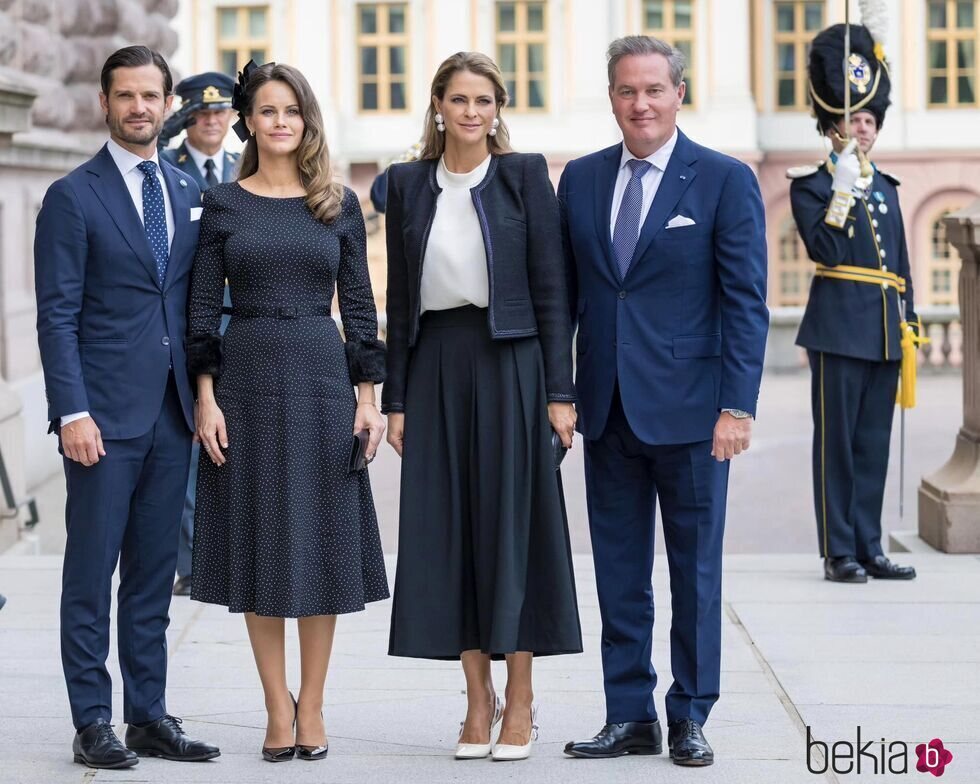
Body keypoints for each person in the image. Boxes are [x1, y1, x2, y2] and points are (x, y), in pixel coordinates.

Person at [559, 36, 769, 766]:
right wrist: (563, 393)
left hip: (695, 417)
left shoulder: (723, 180)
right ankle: (628, 715)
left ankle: (690, 715)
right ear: (611, 96)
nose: (640, 104)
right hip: (608, 410)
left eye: (654, 89)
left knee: (695, 574)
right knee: (619, 575)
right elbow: (567, 301)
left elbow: (746, 303)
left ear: (680, 92)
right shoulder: (580, 182)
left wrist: (737, 407)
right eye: (626, 90)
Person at [187, 61, 388, 763]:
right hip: (244, 380)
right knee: (262, 542)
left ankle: (316, 705)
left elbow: (360, 308)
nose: (279, 122)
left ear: (307, 120)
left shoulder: (336, 202)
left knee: (323, 546)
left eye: (291, 111)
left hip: (322, 378)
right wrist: (206, 398)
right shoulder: (223, 204)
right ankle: (277, 706)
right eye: (267, 111)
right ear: (250, 120)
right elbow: (202, 311)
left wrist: (370, 399)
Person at [383, 51, 582, 762]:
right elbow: (400, 300)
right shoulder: (405, 185)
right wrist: (396, 400)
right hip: (436, 361)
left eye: (484, 100)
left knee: (514, 526)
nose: (472, 112)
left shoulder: (525, 176)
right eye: (459, 99)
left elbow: (553, 290)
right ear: (437, 105)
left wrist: (561, 393)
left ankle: (521, 699)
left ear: (499, 108)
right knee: (450, 529)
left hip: (513, 362)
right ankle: (477, 701)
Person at [34, 45, 220, 769]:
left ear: (168, 102)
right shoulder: (73, 196)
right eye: (126, 96)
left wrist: (204, 397)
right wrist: (70, 411)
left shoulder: (181, 191)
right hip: (102, 421)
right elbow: (57, 314)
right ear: (104, 104)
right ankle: (92, 720)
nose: (140, 107)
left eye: (151, 95)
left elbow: (190, 304)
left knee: (151, 577)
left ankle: (148, 714)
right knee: (91, 574)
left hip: (172, 415)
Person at [789, 23, 918, 584]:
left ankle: (869, 545)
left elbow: (901, 265)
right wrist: (840, 191)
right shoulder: (811, 185)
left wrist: (909, 323)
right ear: (832, 126)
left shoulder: (887, 186)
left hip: (885, 331)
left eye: (869, 121)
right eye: (851, 121)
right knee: (836, 447)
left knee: (873, 446)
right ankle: (837, 548)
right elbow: (824, 247)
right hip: (838, 327)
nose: (861, 130)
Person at [161, 71, 239, 597]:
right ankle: (191, 562)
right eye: (202, 113)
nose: (212, 120)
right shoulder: (168, 168)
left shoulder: (249, 167)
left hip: (244, 318)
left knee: (238, 439)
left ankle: (233, 551)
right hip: (189, 320)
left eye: (220, 112)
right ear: (187, 116)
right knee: (192, 440)